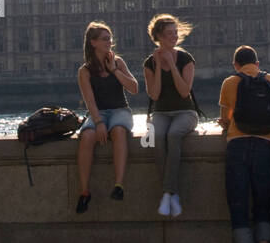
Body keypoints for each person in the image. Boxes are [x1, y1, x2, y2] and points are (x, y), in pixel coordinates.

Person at [217, 45, 270, 243]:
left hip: (238, 145)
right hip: (266, 145)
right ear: (257, 62)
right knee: (263, 203)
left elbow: (226, 118)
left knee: (238, 202)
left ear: (236, 64)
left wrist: (226, 123)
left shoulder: (230, 82)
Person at [74, 21, 139, 214]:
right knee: (87, 137)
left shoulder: (118, 62)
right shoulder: (84, 71)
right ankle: (85, 191)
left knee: (118, 131)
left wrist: (114, 71)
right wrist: (99, 123)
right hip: (98, 112)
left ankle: (118, 185)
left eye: (110, 38)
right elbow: (90, 102)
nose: (109, 42)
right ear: (93, 42)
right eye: (104, 39)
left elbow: (134, 88)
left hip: (120, 110)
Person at [142, 14, 198, 217]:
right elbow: (155, 95)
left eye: (175, 32)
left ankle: (167, 192)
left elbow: (184, 92)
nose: (174, 36)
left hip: (186, 112)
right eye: (169, 34)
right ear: (158, 37)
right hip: (161, 112)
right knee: (157, 137)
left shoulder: (185, 59)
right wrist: (158, 66)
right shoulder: (149, 63)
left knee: (174, 135)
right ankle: (171, 193)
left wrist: (172, 65)